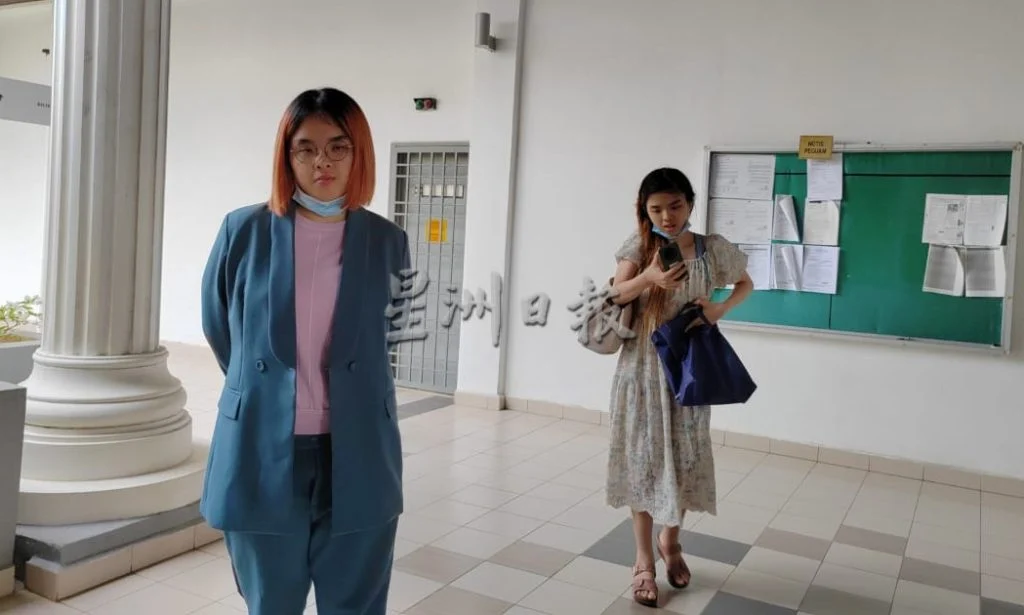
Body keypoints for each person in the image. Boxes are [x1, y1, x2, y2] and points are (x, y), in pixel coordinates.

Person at [199, 87, 409, 615]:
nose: (322, 162)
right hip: (261, 447)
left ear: (359, 154)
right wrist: (270, 387)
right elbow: (220, 326)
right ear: (286, 156)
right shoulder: (243, 231)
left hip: (358, 447)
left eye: (339, 147)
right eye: (305, 148)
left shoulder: (387, 241)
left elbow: (391, 330)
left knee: (356, 603)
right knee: (271, 602)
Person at [605, 167, 753, 607]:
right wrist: (648, 279)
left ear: (690, 203)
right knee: (642, 463)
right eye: (656, 209)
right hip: (641, 373)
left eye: (675, 206)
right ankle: (643, 562)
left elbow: (745, 283)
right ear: (644, 210)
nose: (667, 217)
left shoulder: (712, 249)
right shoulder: (639, 247)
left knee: (685, 461)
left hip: (688, 370)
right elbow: (614, 295)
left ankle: (670, 542)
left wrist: (719, 309)